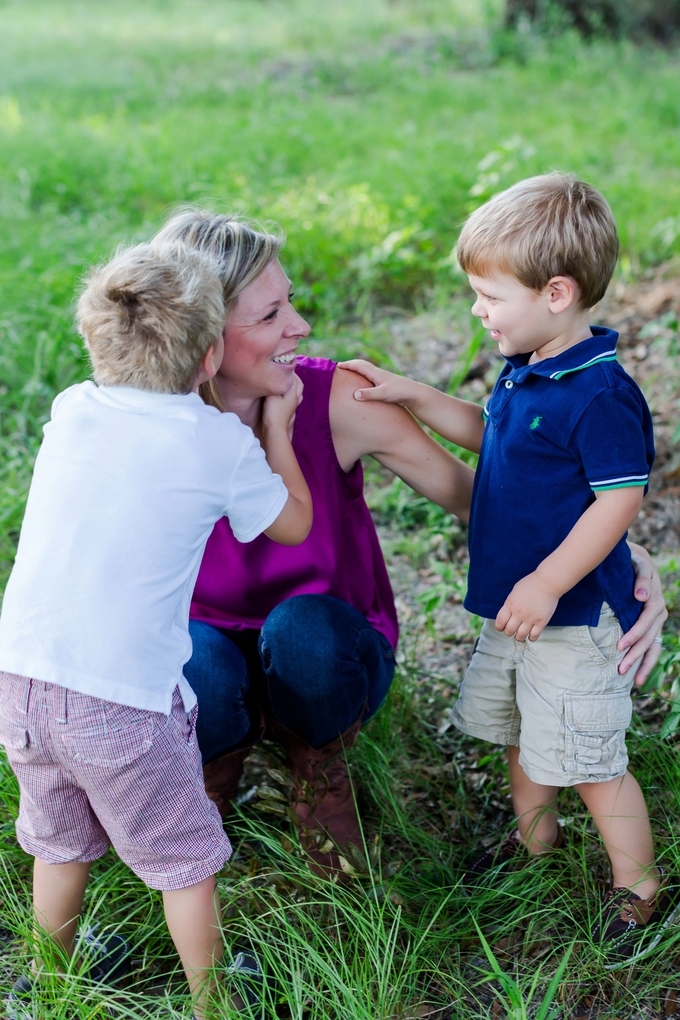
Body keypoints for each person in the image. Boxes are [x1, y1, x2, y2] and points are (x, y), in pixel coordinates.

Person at [152, 208, 667, 879]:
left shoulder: (337, 399)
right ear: (206, 339)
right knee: (199, 665)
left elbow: (485, 500)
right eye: (271, 314)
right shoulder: (147, 424)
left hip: (326, 651)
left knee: (304, 630)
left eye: (293, 305)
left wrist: (622, 560)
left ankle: (317, 768)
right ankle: (210, 774)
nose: (300, 327)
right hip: (205, 642)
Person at [340, 172, 676, 965]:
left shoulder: (599, 395)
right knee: (520, 737)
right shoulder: (529, 364)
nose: (477, 310)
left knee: (591, 760)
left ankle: (640, 887)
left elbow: (618, 502)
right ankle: (536, 852)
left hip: (571, 618)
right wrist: (416, 395)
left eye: (489, 296)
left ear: (556, 292)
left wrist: (550, 579)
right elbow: (492, 438)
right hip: (517, 612)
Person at [0, 242, 312, 1019]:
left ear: (94, 340)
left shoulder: (73, 406)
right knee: (185, 863)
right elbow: (295, 525)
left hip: (21, 678)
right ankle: (215, 1003)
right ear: (211, 356)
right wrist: (277, 425)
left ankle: (49, 980)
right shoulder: (216, 444)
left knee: (58, 839)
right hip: (121, 703)